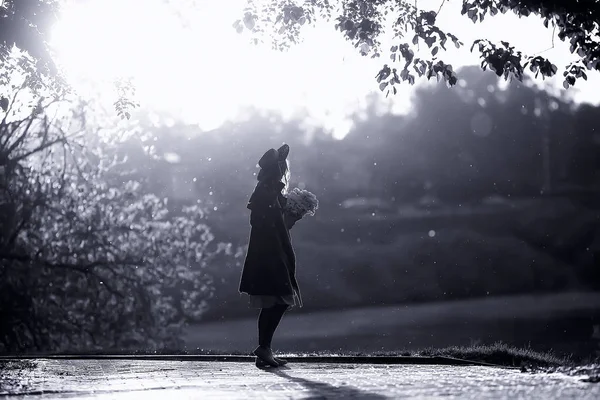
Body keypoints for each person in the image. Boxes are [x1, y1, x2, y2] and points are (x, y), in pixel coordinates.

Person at [239, 144, 303, 368]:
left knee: (275, 301)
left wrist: (292, 216)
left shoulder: (271, 191)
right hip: (268, 255)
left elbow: (278, 225)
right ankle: (263, 348)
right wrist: (283, 220)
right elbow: (264, 225)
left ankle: (264, 349)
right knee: (280, 299)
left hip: (274, 252)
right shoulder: (264, 193)